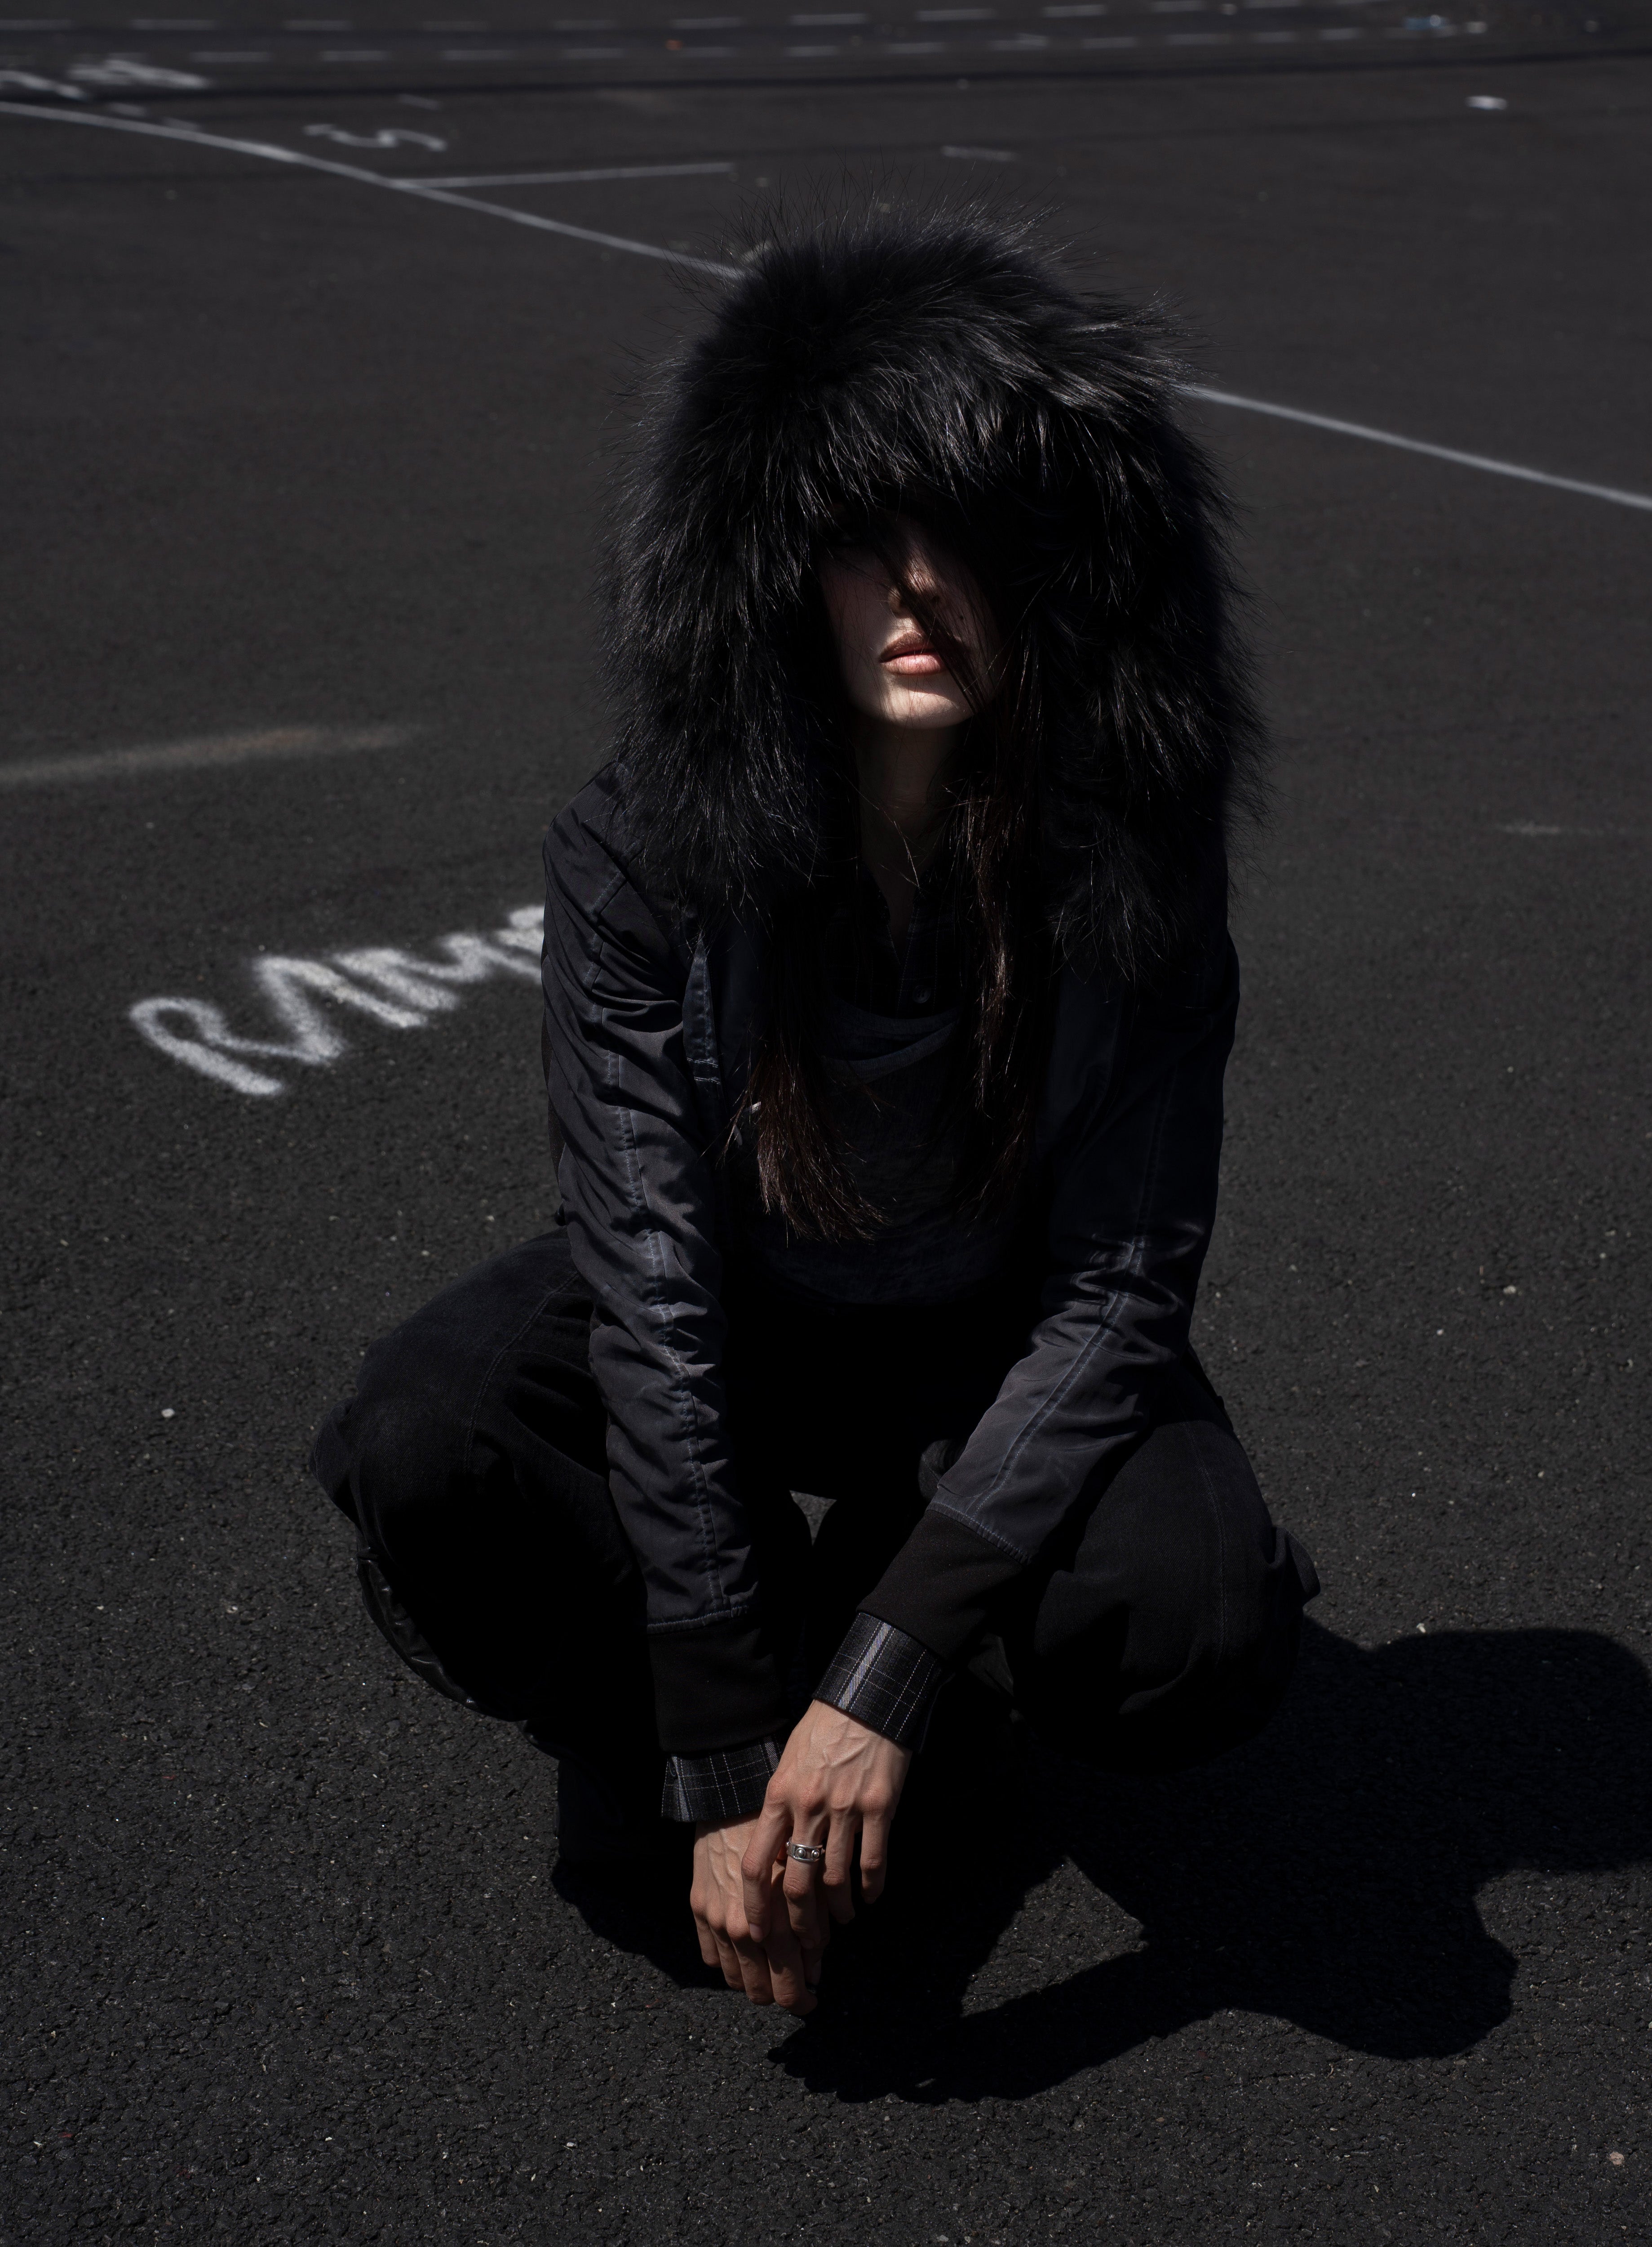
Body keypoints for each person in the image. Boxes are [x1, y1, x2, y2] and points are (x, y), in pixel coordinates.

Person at [311, 211, 1318, 2021]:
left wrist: (886, 1675)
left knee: (1195, 1617)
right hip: (747, 1318)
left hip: (989, 1343)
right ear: (775, 566)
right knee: (427, 1439)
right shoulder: (641, 853)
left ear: (1064, 564)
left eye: (972, 533)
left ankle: (889, 1632)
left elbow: (1118, 1294)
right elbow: (650, 1284)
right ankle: (754, 1658)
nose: (920, 588)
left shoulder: (1133, 859)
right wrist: (718, 1738)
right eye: (864, 536)